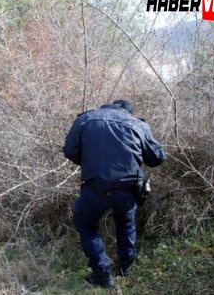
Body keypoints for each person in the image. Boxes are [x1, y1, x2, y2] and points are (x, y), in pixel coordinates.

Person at [63, 99, 166, 288]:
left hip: (95, 185)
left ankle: (102, 273)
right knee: (125, 222)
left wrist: (90, 162)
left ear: (109, 106)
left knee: (85, 225)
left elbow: (70, 151)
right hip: (128, 188)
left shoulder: (86, 118)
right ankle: (125, 266)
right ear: (129, 112)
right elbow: (157, 158)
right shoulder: (138, 125)